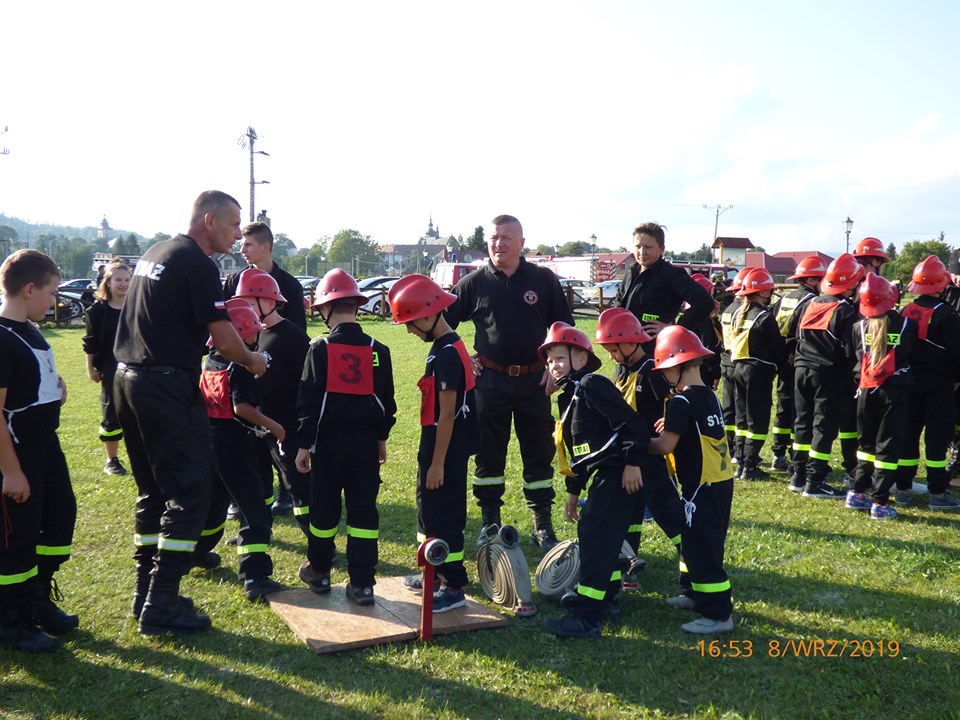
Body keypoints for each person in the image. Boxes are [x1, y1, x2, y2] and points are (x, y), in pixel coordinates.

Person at [114, 190, 268, 636]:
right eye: (233, 224)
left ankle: (145, 592)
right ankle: (162, 603)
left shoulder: (155, 253)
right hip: (166, 385)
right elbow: (224, 338)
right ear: (209, 220)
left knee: (152, 491)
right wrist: (253, 360)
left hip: (127, 379)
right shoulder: (197, 263)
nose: (237, 234)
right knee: (191, 492)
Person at [444, 215, 572, 552]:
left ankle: (542, 525)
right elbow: (441, 324)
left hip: (535, 381)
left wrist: (555, 368)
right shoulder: (473, 283)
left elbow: (564, 327)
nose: (498, 243)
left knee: (539, 453)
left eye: (506, 238)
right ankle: (490, 522)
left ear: (522, 243)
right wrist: (462, 357)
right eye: (494, 237)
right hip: (489, 382)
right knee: (488, 455)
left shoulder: (543, 280)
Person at [539, 322, 646, 639]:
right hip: (601, 474)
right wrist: (573, 492)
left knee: (595, 539)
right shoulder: (569, 397)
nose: (554, 366)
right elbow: (581, 452)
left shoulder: (591, 385)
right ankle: (608, 599)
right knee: (603, 538)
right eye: (550, 361)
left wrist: (632, 463)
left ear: (581, 358)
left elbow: (634, 425)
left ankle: (586, 616)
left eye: (560, 358)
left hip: (616, 474)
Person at [295, 269, 396, 606]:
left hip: (328, 445)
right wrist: (381, 438)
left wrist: (303, 446)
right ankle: (363, 584)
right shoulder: (379, 349)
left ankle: (320, 571)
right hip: (366, 445)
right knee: (364, 512)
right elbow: (387, 402)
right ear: (356, 305)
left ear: (326, 308)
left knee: (324, 511)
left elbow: (308, 403)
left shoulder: (319, 348)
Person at [0, 250, 75, 653]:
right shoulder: (2, 337)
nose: (55, 300)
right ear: (29, 290)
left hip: (47, 446)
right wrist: (11, 472)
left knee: (59, 518)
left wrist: (54, 387)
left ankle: (37, 597)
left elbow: (29, 383)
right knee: (18, 537)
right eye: (51, 291)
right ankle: (10, 619)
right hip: (17, 455)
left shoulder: (30, 329)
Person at [390, 274, 478, 613]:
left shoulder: (447, 354)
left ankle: (453, 585)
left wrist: (438, 463)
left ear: (428, 315)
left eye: (411, 323)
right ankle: (434, 572)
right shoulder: (441, 347)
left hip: (446, 450)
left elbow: (448, 414)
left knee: (445, 515)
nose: (410, 331)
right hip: (436, 446)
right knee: (429, 510)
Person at [195, 301, 286, 602]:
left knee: (214, 505)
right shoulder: (241, 366)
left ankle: (197, 552)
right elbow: (242, 408)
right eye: (254, 333)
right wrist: (274, 426)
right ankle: (255, 575)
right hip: (235, 444)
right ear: (243, 334)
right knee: (253, 509)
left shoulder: (210, 362)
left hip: (210, 442)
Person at [648, 325, 735, 634]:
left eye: (665, 371)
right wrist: (673, 423)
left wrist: (636, 442)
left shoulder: (681, 403)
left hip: (700, 487)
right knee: (698, 541)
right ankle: (694, 592)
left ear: (677, 367)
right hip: (720, 483)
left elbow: (665, 446)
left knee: (702, 548)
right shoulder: (708, 395)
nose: (664, 377)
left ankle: (718, 615)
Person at [594, 308, 686, 592]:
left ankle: (694, 563)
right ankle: (630, 570)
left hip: (652, 458)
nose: (611, 356)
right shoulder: (623, 371)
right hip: (629, 457)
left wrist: (671, 421)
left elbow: (680, 396)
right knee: (629, 517)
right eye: (608, 350)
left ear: (631, 342)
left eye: (614, 349)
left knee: (669, 512)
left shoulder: (651, 371)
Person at [223, 221, 306, 515]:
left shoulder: (289, 285)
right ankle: (253, 498)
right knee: (252, 442)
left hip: (280, 376)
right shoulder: (234, 280)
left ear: (265, 246)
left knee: (283, 443)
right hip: (249, 374)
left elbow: (296, 334)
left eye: (248, 244)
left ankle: (286, 490)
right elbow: (225, 324)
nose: (242, 249)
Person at [234, 268, 312, 533]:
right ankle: (255, 535)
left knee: (298, 485)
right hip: (254, 425)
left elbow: (310, 383)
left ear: (268, 302)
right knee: (256, 485)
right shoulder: (245, 335)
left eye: (248, 302)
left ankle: (319, 542)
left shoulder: (292, 336)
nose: (244, 308)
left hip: (286, 427)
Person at [846, 273, 916, 520]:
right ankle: (880, 502)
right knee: (887, 446)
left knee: (865, 445)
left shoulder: (858, 327)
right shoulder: (907, 325)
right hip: (893, 392)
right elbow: (913, 353)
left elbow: (853, 356)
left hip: (865, 390)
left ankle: (857, 492)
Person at [792, 253, 863, 498]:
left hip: (801, 369)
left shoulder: (811, 304)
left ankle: (798, 475)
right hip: (828, 374)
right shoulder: (846, 311)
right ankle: (815, 481)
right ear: (850, 285)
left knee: (803, 422)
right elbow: (852, 351)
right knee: (824, 426)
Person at [898, 256, 960, 510]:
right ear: (941, 284)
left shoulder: (905, 311)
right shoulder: (947, 314)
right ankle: (937, 492)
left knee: (908, 435)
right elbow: (957, 353)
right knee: (937, 438)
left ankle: (902, 489)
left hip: (909, 382)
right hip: (939, 385)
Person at [728, 268, 786, 480]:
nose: (770, 294)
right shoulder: (765, 316)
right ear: (761, 292)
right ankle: (750, 467)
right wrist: (784, 368)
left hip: (738, 369)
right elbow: (778, 348)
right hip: (757, 372)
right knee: (757, 420)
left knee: (742, 418)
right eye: (768, 290)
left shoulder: (738, 313)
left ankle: (741, 462)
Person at [770, 256, 826, 475]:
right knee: (800, 410)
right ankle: (796, 457)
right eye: (821, 278)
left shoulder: (785, 298)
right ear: (811, 280)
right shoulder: (812, 301)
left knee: (783, 405)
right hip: (798, 358)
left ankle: (778, 454)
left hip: (781, 358)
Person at [613, 222, 714, 344]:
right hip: (625, 345)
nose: (642, 251)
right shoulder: (631, 271)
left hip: (654, 347)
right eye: (638, 246)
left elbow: (705, 302)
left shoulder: (671, 274)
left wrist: (675, 329)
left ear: (661, 249)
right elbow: (618, 304)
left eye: (647, 247)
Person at [82, 260, 132, 476]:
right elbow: (90, 342)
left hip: (137, 368)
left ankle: (142, 457)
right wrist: (90, 368)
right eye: (118, 279)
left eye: (127, 280)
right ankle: (112, 460)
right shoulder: (97, 311)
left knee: (139, 413)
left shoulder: (138, 307)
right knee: (111, 412)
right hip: (110, 368)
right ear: (108, 282)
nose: (123, 284)